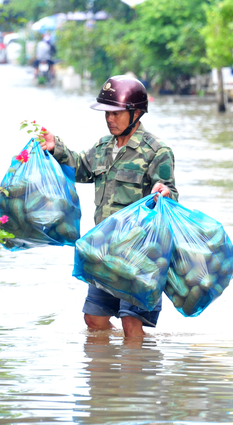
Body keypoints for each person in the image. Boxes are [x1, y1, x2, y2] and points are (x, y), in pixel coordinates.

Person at [40, 75, 178, 338]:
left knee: (131, 323)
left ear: (136, 113)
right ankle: (110, 372)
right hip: (106, 250)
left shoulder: (157, 151)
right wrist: (55, 147)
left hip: (140, 252)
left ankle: (135, 372)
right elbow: (81, 169)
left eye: (116, 113)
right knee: (94, 318)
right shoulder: (104, 146)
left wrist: (166, 193)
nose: (110, 119)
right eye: (107, 113)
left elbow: (169, 192)